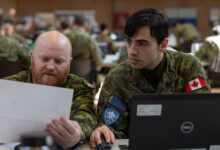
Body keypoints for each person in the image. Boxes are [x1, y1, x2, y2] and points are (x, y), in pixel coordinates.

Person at [90, 8, 211, 148]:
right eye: (129, 41)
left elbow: (202, 117)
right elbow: (111, 129)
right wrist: (104, 131)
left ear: (163, 45)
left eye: (142, 43)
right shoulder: (117, 77)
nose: (132, 51)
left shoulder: (187, 66)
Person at [4, 31, 97, 149]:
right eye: (44, 59)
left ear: (69, 63)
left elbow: (86, 119)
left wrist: (78, 134)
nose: (50, 67)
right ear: (32, 58)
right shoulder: (10, 86)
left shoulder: (79, 87)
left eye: (59, 61)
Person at [65, 15, 102, 85]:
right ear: (85, 25)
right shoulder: (89, 39)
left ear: (72, 24)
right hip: (86, 81)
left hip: (66, 81)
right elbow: (98, 60)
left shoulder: (64, 38)